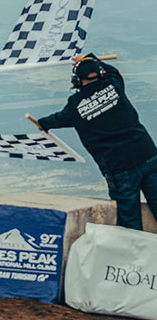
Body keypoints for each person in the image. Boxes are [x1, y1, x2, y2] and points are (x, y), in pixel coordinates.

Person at [37, 53, 157, 230]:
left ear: (76, 81)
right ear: (100, 73)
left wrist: (42, 123)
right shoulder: (113, 84)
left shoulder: (76, 105)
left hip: (120, 168)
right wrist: (89, 57)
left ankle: (135, 256)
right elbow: (113, 70)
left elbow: (59, 119)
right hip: (148, 156)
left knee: (129, 222)